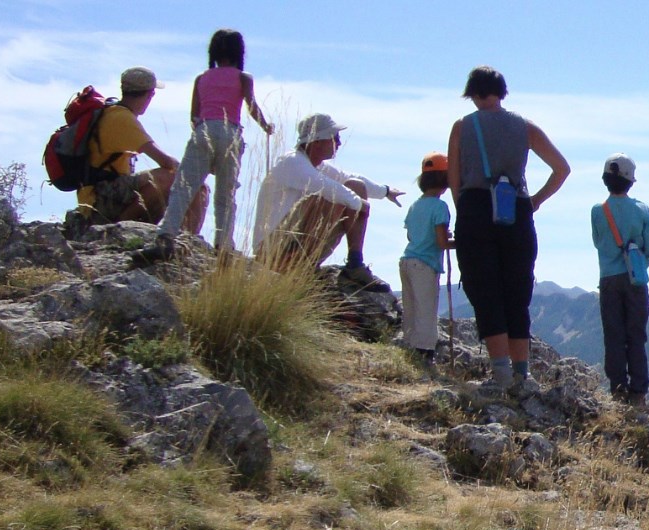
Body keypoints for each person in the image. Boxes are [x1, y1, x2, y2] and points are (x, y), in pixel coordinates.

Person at [446, 65, 570, 392]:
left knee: (484, 289)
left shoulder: (463, 127)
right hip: (516, 208)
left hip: (475, 207)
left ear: (473, 93)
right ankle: (522, 374)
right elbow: (561, 168)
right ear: (502, 92)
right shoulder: (525, 127)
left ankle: (499, 373)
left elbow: (454, 179)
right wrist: (535, 202)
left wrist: (466, 213)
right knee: (518, 290)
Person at [155, 29, 274, 257]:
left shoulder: (202, 78)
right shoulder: (243, 78)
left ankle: (166, 233)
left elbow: (194, 115)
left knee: (184, 186)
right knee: (225, 194)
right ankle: (224, 244)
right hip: (230, 132)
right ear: (239, 52)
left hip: (204, 129)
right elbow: (251, 106)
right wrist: (266, 126)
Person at [252, 113, 403, 281]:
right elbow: (329, 189)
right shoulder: (292, 162)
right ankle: (293, 265)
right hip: (271, 251)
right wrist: (360, 205)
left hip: (292, 246)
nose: (338, 143)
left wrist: (385, 191)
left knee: (355, 185)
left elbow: (352, 180)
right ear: (317, 140)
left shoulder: (317, 166)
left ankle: (355, 263)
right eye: (334, 137)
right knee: (330, 197)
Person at [84, 67, 199, 234]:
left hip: (98, 194)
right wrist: (194, 173)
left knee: (185, 182)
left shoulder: (111, 112)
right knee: (173, 177)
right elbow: (166, 162)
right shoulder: (122, 118)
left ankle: (179, 238)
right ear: (150, 94)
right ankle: (119, 230)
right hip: (100, 197)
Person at [590, 154, 649, 406]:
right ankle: (638, 392)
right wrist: (637, 266)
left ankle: (617, 390)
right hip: (635, 281)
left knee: (613, 335)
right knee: (636, 336)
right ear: (630, 181)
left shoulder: (598, 211)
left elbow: (598, 242)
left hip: (608, 279)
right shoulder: (641, 209)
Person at [400, 153, 454, 370]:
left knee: (411, 307)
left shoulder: (415, 205)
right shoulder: (440, 207)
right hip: (425, 265)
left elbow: (411, 236)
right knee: (426, 309)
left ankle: (409, 349)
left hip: (407, 260)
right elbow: (441, 242)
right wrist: (461, 242)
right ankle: (425, 355)